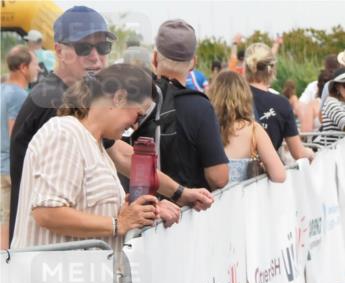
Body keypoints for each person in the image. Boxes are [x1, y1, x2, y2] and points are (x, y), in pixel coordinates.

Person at [8, 6, 207, 242]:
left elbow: (121, 155)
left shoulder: (83, 107)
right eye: (83, 47)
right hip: (49, 257)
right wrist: (120, 222)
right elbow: (49, 210)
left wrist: (176, 194)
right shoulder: (55, 105)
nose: (95, 56)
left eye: (103, 47)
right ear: (59, 50)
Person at [11, 65, 160, 251]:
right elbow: (47, 212)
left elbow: (89, 210)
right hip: (50, 276)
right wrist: (117, 224)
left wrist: (138, 211)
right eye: (138, 115)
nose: (136, 125)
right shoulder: (65, 133)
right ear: (119, 98)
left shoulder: (96, 147)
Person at [136, 19, 229, 191]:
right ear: (193, 62)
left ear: (155, 58)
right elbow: (218, 177)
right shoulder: (200, 107)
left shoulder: (135, 98)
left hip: (137, 207)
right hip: (184, 211)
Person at [209, 70, 285, 184]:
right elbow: (279, 176)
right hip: (245, 199)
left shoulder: (206, 128)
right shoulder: (254, 129)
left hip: (212, 199)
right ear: (245, 95)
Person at [244, 43, 314, 162]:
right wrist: (311, 153)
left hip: (233, 174)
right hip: (266, 172)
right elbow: (298, 153)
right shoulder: (281, 103)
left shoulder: (232, 98)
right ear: (272, 70)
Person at [2, 47, 39, 250]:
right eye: (34, 65)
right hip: (12, 168)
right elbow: (14, 134)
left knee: (3, 218)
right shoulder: (18, 95)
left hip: (1, 167)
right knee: (13, 221)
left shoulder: (2, 90)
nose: (37, 69)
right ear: (23, 67)